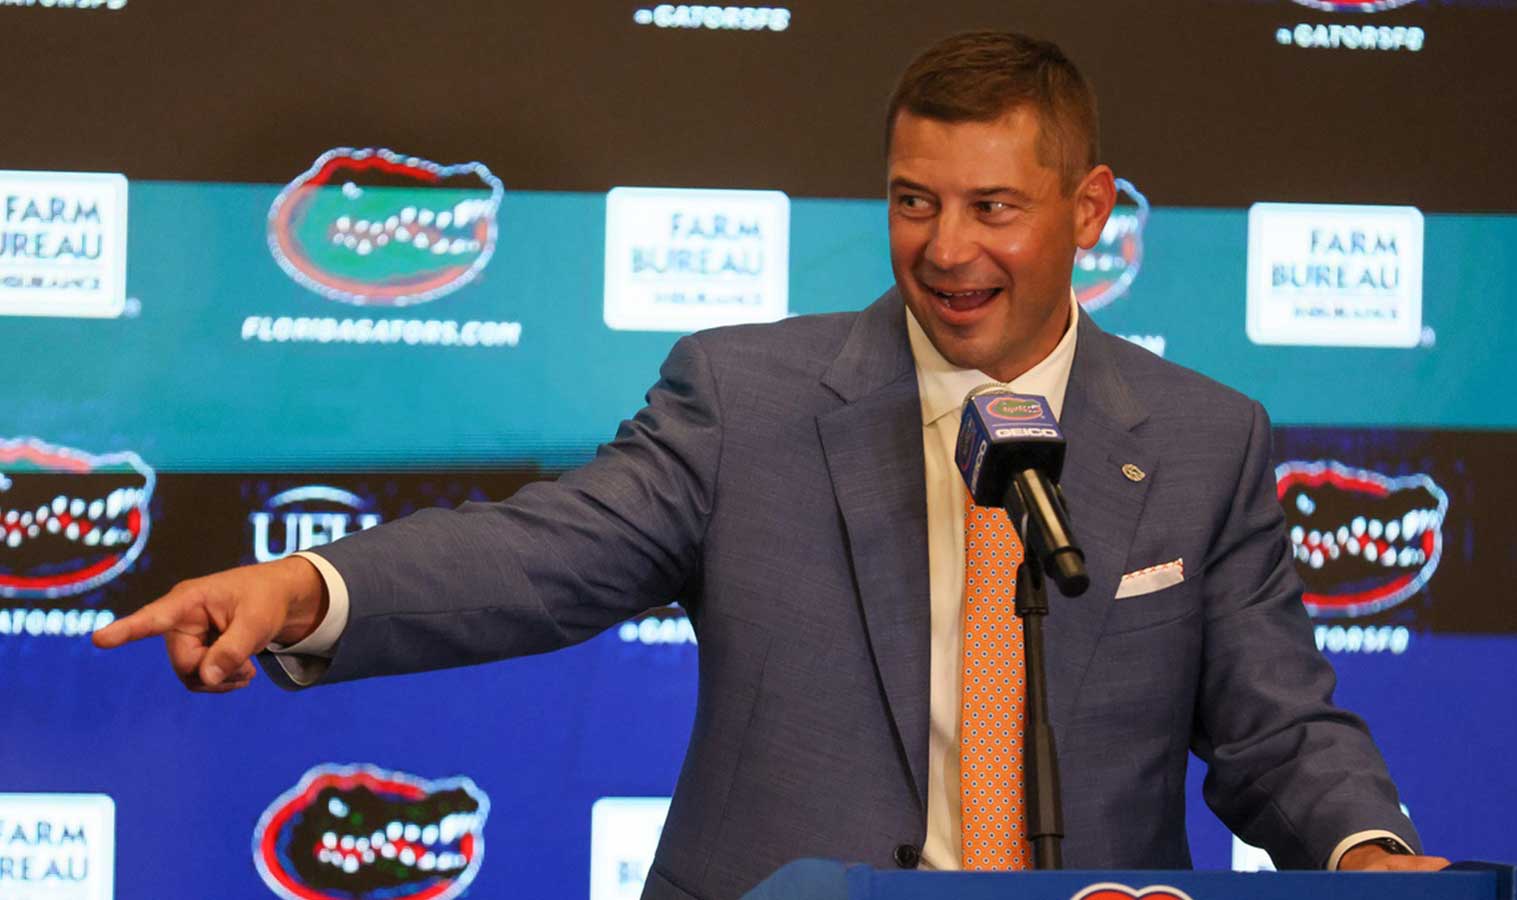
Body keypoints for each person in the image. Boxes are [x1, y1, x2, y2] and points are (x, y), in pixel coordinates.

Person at [94, 30, 1448, 899]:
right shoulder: (750, 402)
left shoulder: (1206, 440)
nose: (946, 250)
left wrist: (1368, 849)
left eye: (993, 207)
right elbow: (544, 555)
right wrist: (307, 589)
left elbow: (1275, 726)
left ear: (1088, 209)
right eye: (914, 202)